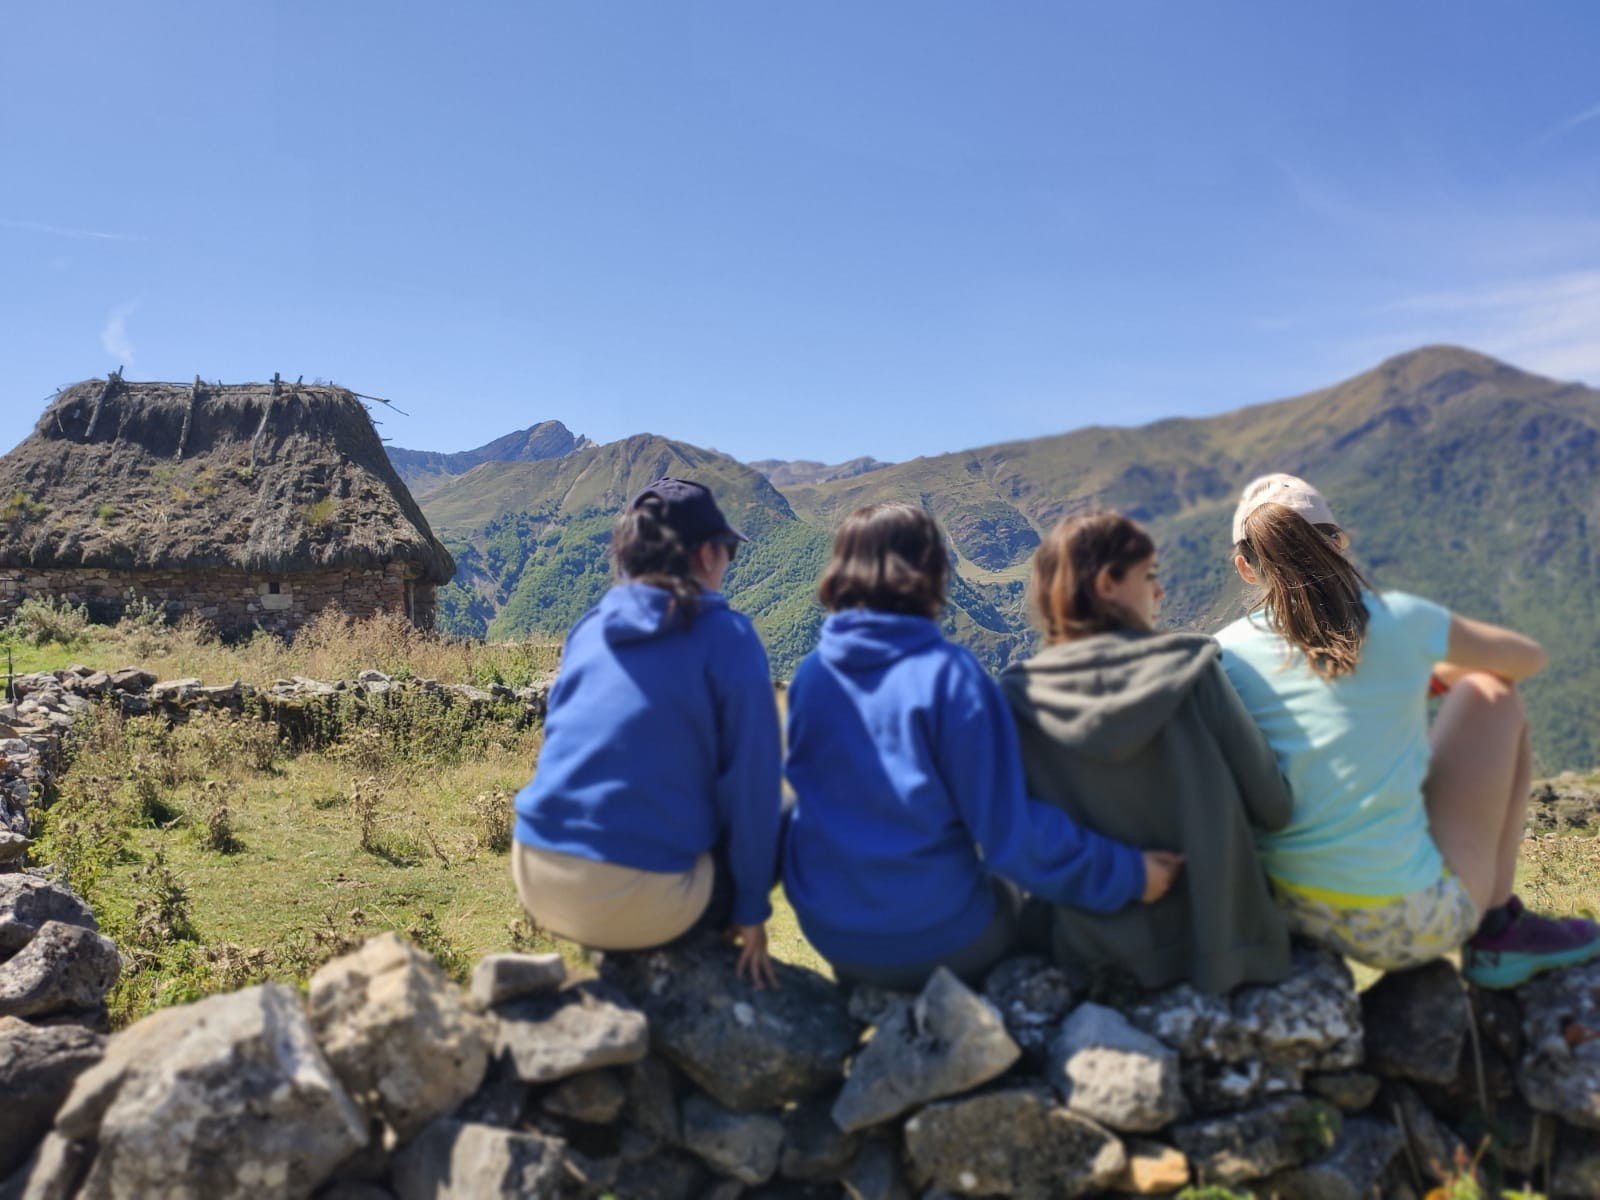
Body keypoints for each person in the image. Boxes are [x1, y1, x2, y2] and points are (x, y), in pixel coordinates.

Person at [1217, 473, 1600, 988]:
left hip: (1285, 915)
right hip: (1406, 926)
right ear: (1337, 543)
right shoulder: (1400, 620)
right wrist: (1421, 677)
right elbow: (1527, 657)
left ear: (1246, 566)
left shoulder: (1222, 652)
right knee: (1493, 691)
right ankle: (1497, 928)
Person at [780, 502, 1180, 991]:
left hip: (832, 930)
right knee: (1025, 900)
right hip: (938, 938)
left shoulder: (812, 676)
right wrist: (1129, 873)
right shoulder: (951, 676)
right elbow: (1011, 837)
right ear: (930, 571)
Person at [1000, 511, 1293, 994]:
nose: (1159, 592)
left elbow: (1015, 840)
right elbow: (1274, 808)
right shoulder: (1194, 670)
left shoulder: (1017, 700)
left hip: (1089, 960)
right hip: (1223, 955)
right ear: (1108, 585)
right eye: (1149, 576)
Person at [512, 477, 782, 988]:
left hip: (538, 875)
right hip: (642, 901)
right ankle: (690, 960)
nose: (726, 564)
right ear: (706, 555)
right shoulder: (728, 637)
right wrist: (750, 912)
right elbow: (752, 789)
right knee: (785, 816)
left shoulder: (588, 629)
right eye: (727, 552)